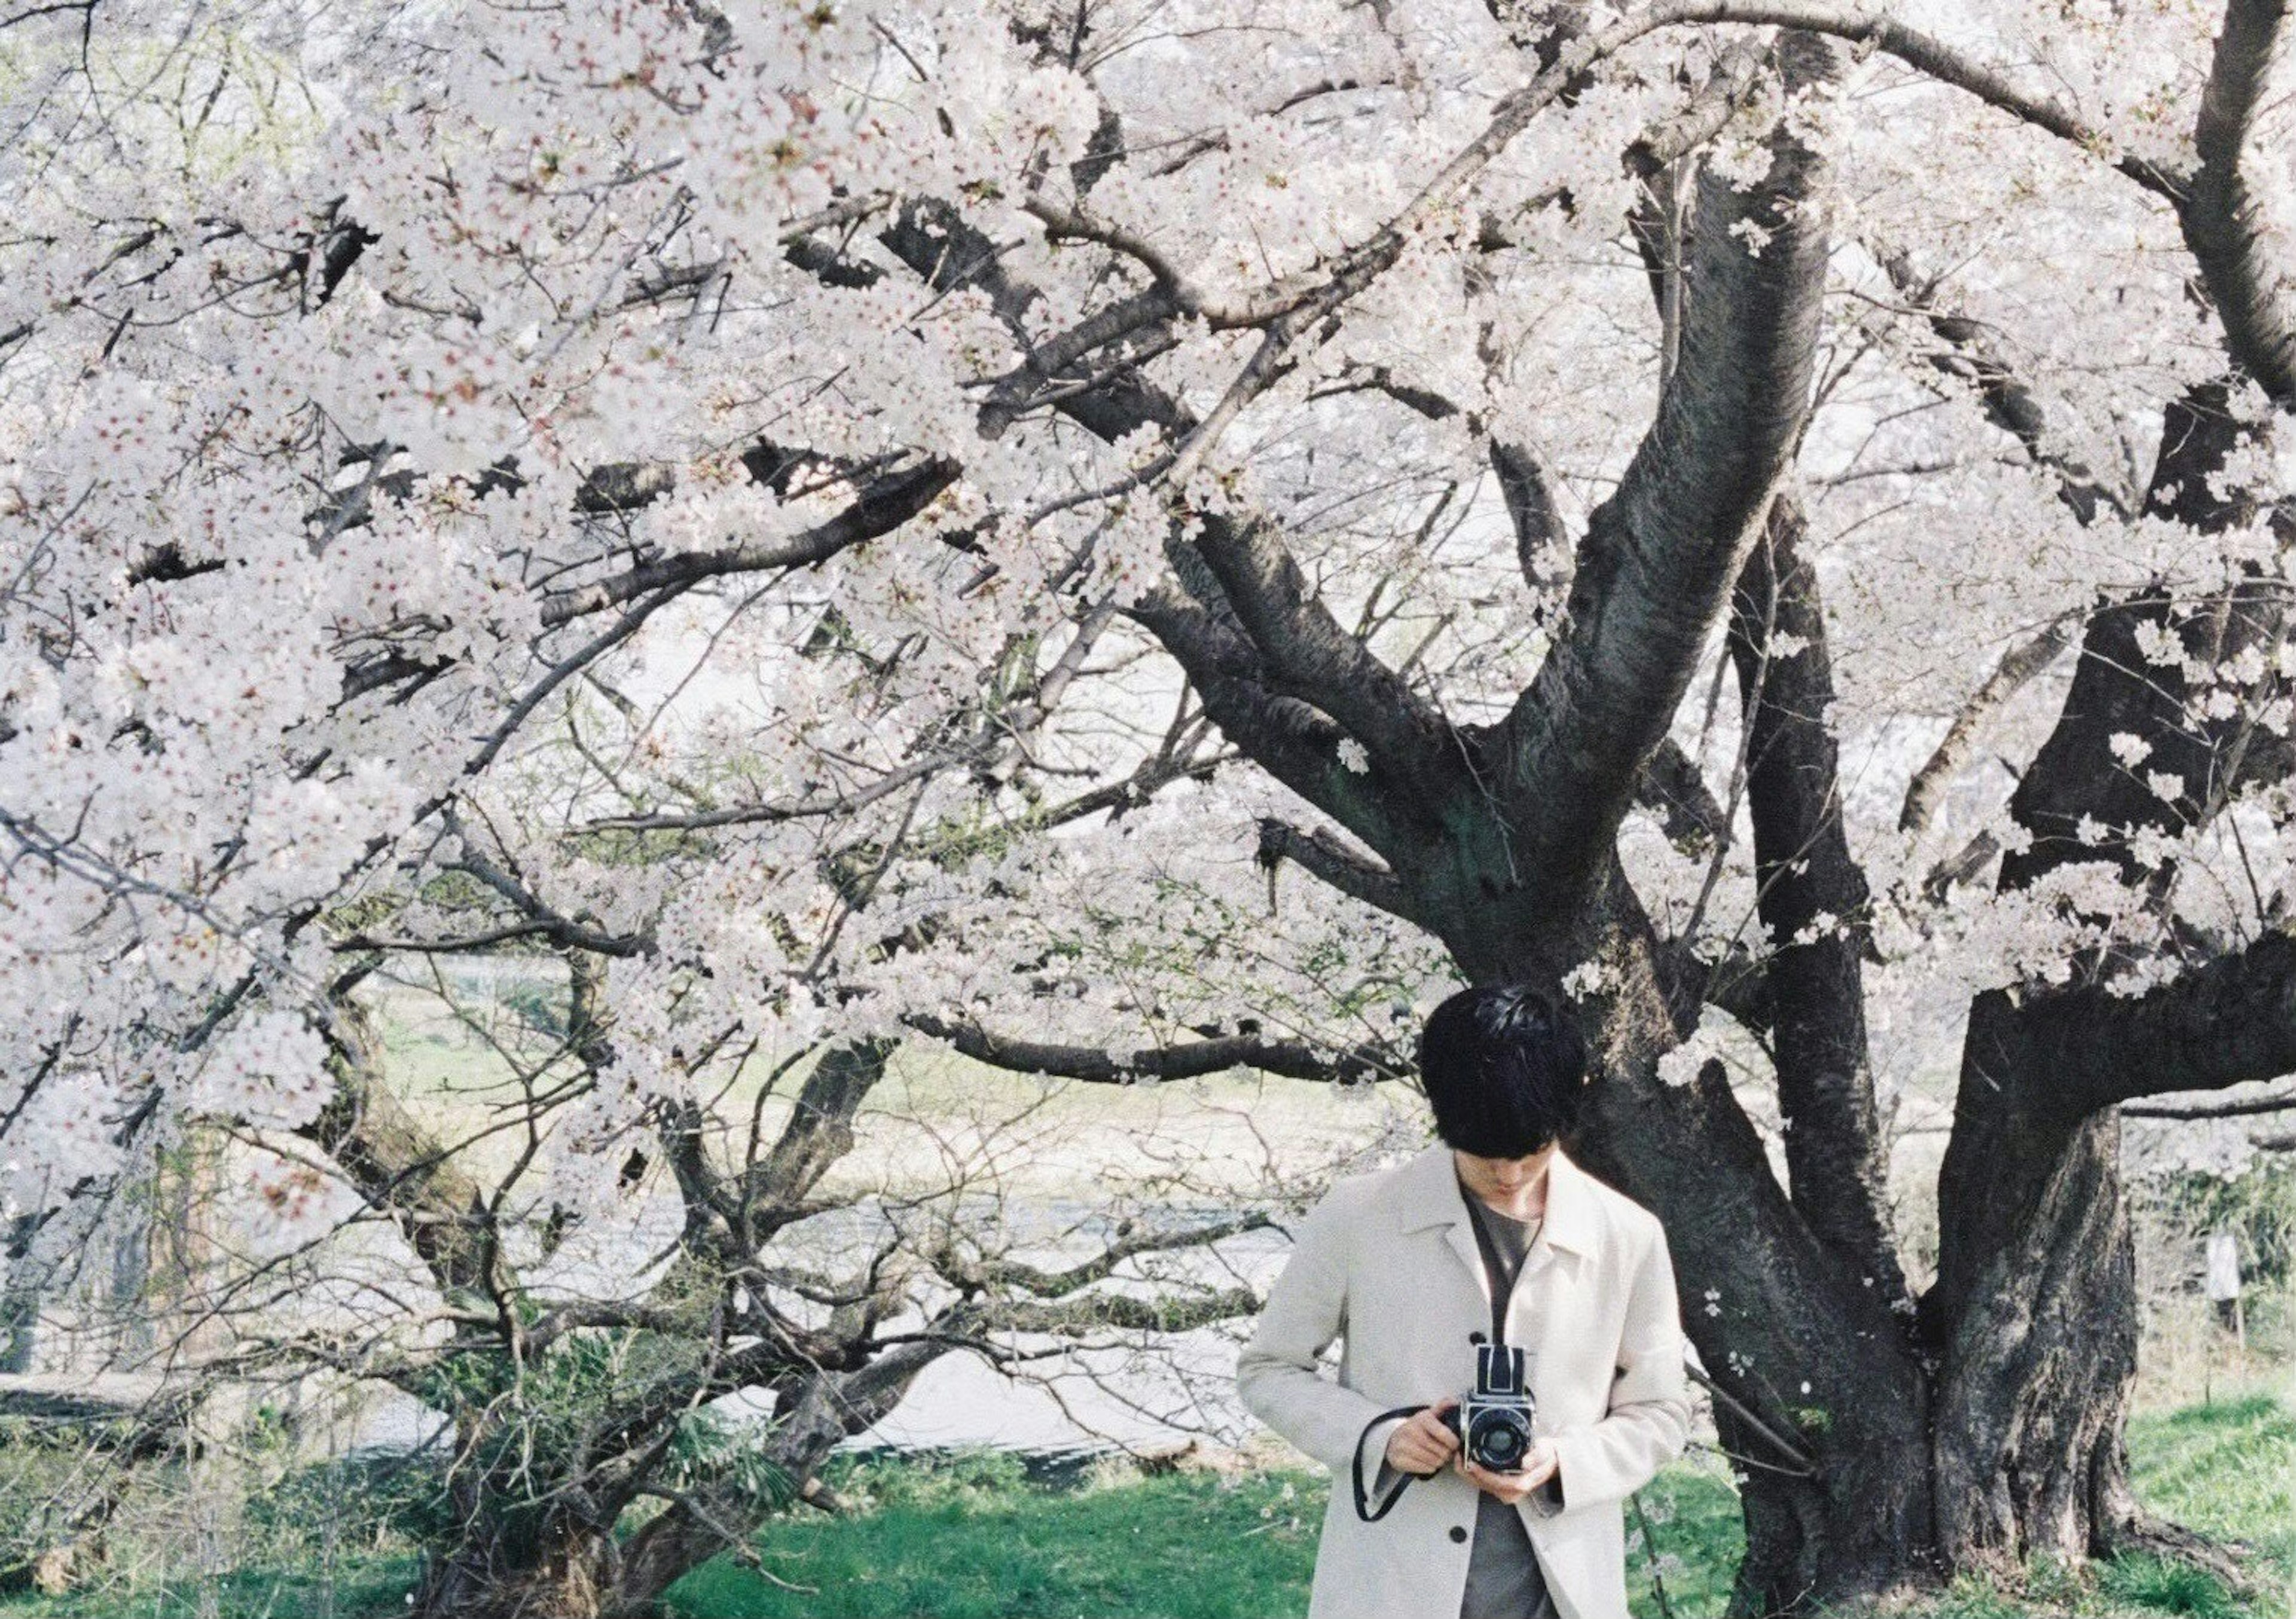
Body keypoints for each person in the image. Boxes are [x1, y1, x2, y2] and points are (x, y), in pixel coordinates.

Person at [1236, 985, 1692, 1619]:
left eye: (1532, 1152)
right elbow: (1269, 1368)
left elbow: (1662, 1411)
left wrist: (1561, 1460)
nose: (1508, 1175)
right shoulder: (1358, 1214)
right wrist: (1380, 1435)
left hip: (1562, 1591)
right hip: (1391, 1584)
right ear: (1442, 1113)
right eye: (1484, 1154)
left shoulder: (1627, 1233)